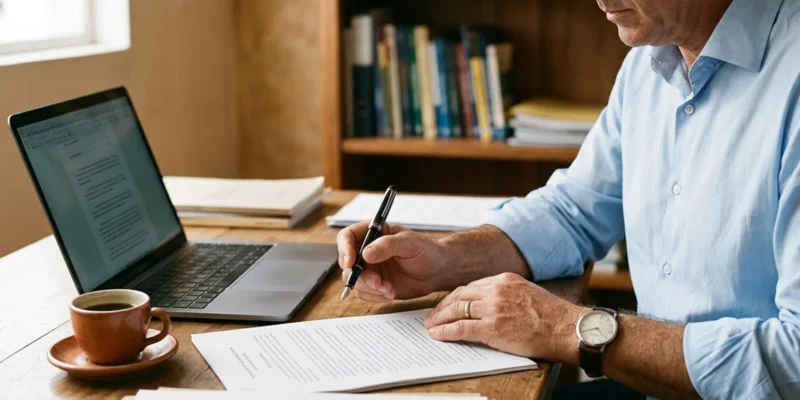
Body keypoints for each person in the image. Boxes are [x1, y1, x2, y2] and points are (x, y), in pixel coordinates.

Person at [337, 0, 800, 398]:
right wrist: (444, 258)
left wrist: (568, 328)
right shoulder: (650, 61)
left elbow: (793, 361)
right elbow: (573, 210)